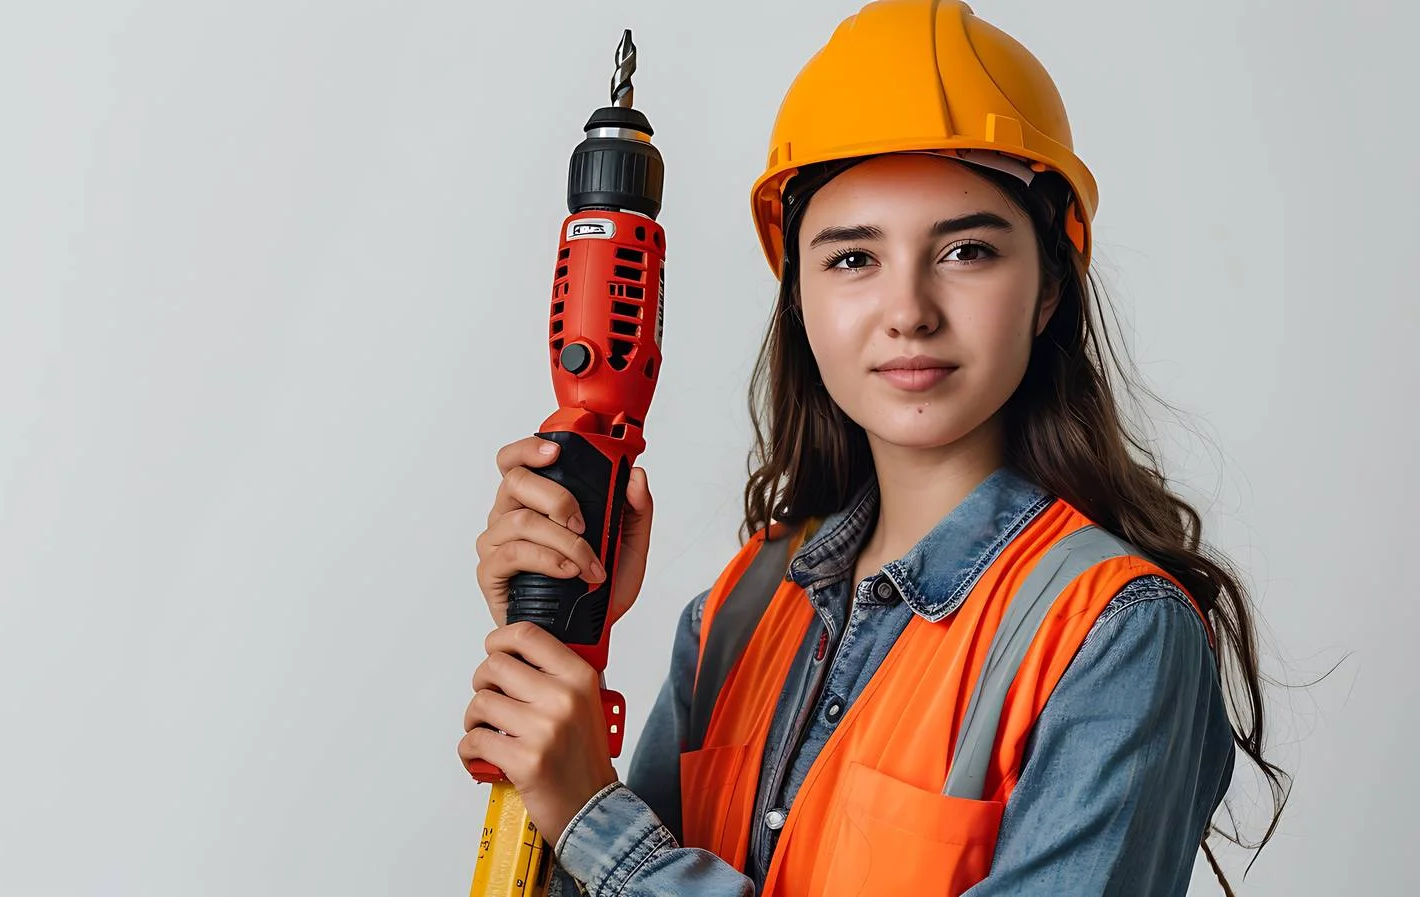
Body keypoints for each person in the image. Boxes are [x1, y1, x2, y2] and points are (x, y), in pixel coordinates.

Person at [459, 0, 1288, 893]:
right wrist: (563, 647)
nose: (908, 311)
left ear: (1050, 289)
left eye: (967, 250)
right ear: (800, 297)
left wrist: (596, 815)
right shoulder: (735, 615)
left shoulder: (1113, 636)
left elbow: (622, 853)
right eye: (853, 258)